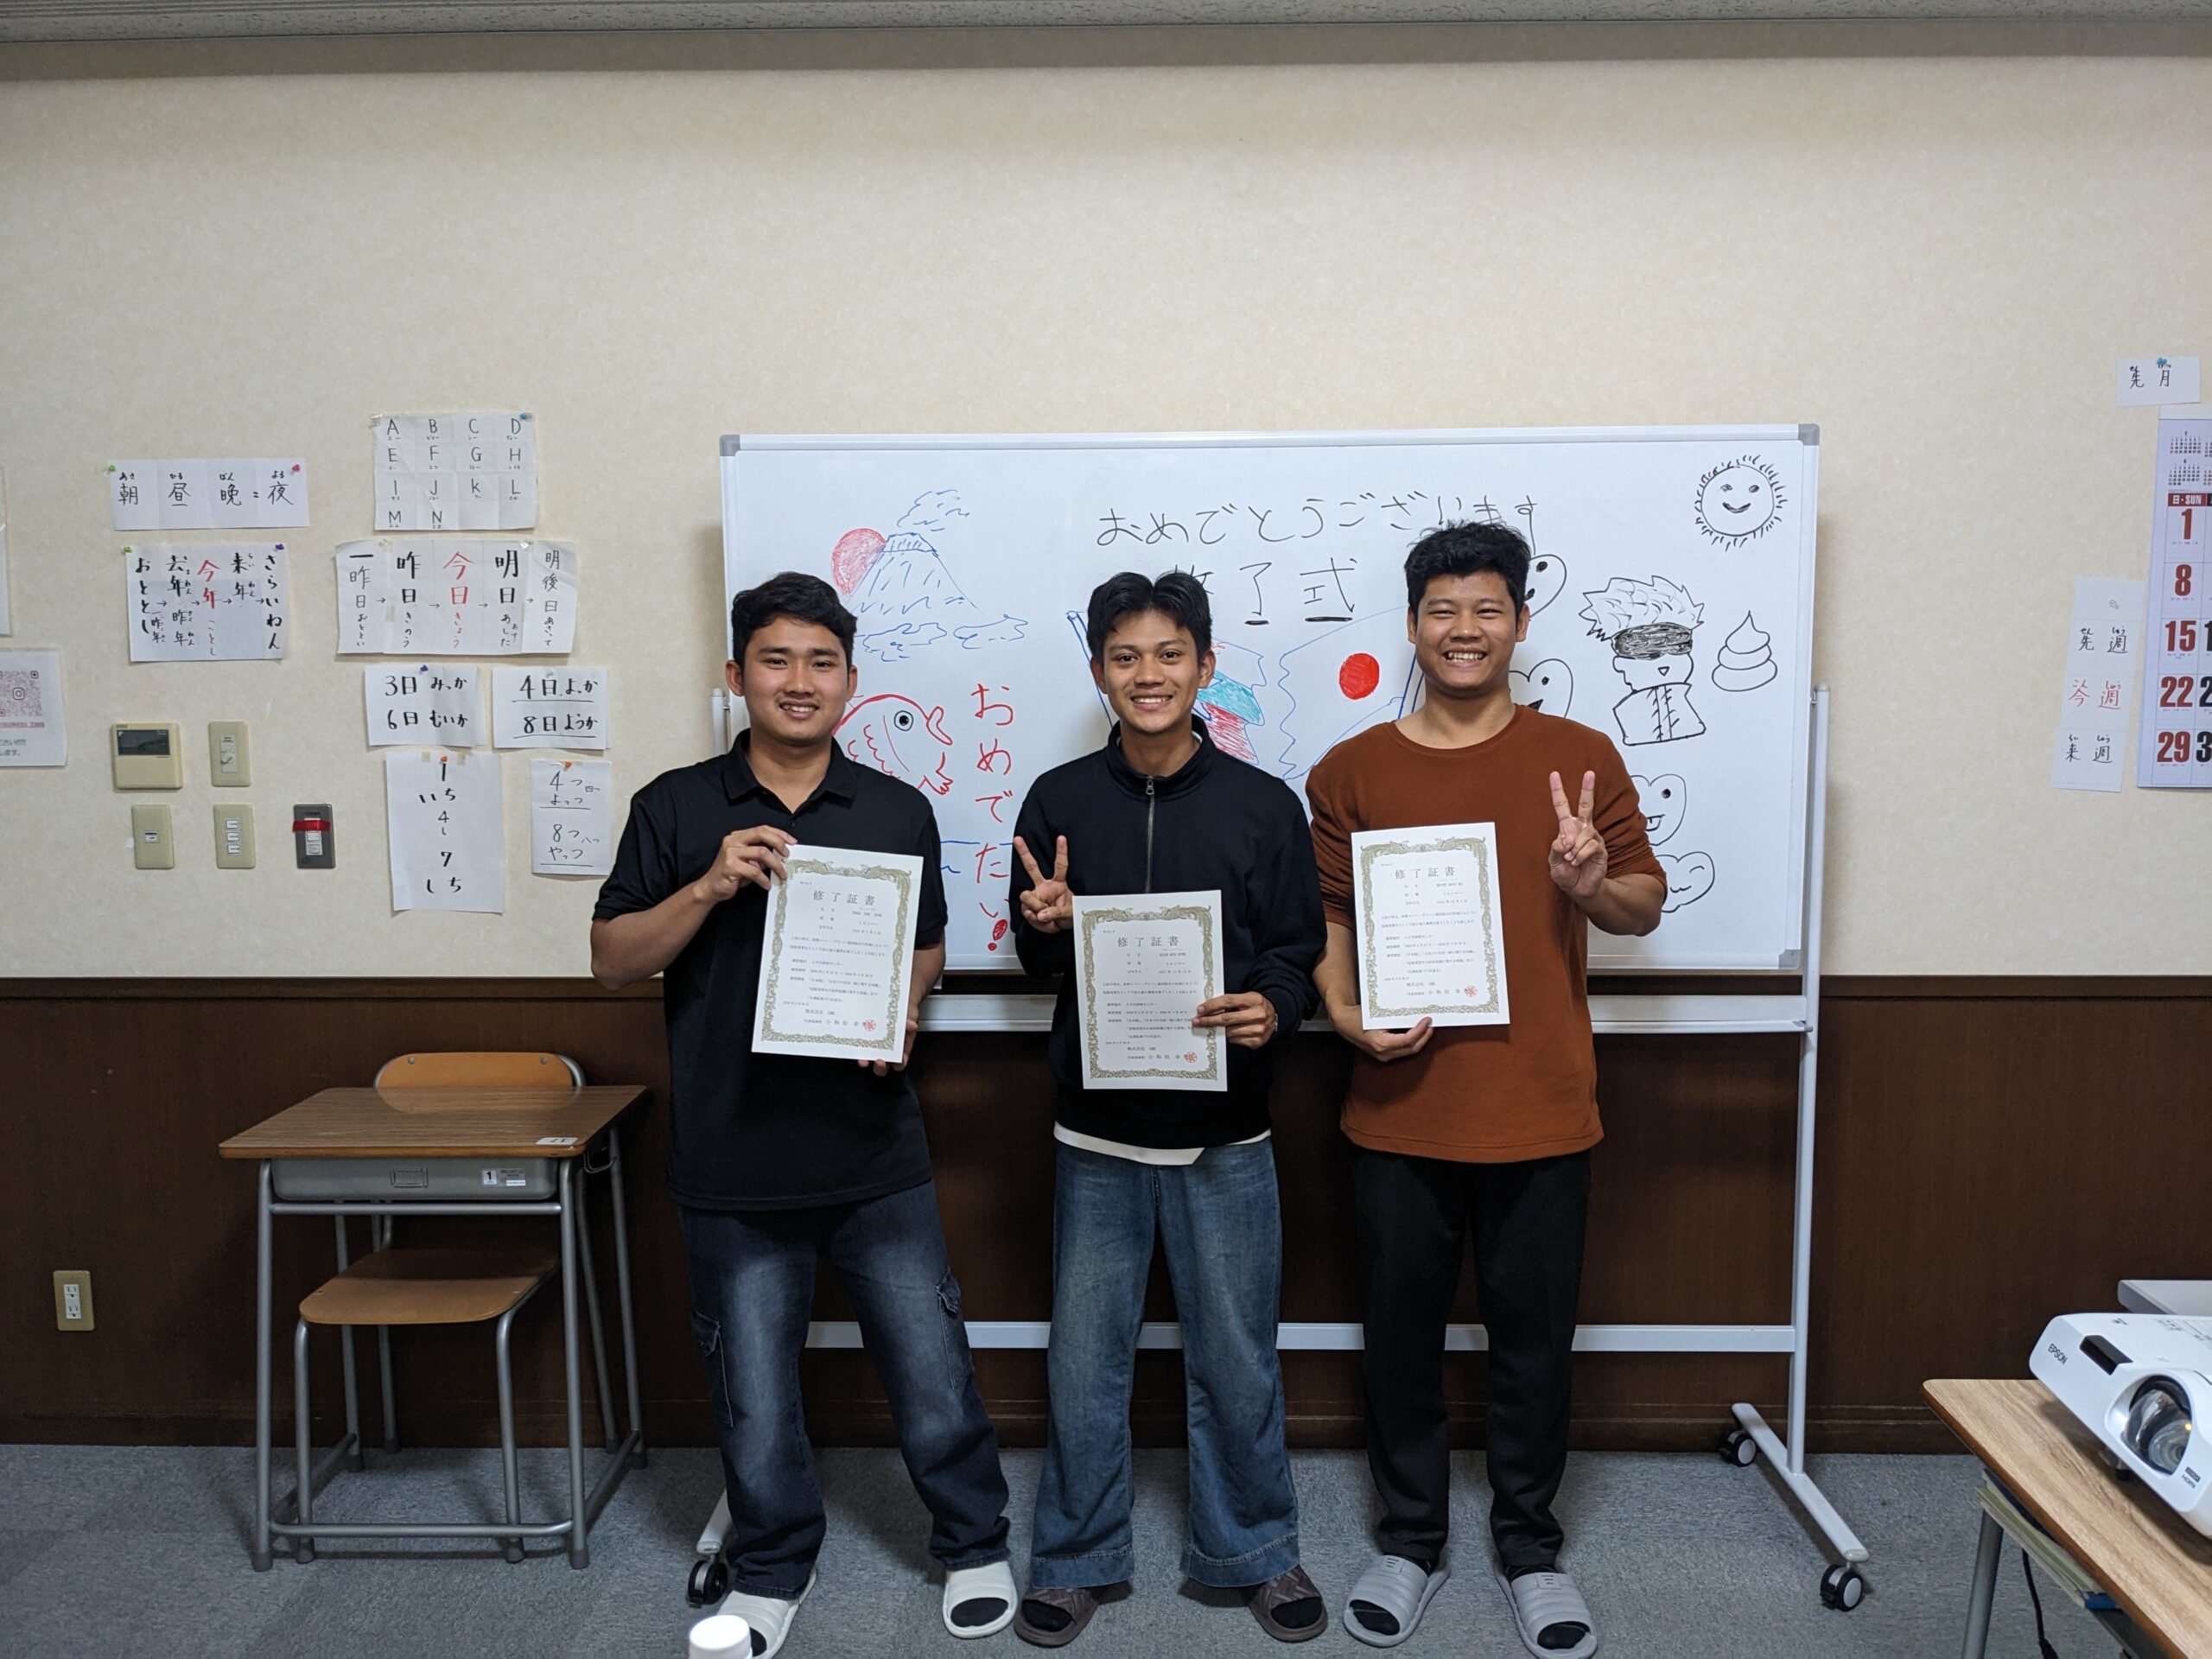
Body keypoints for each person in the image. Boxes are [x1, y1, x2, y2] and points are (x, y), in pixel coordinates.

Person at [589, 572, 1015, 1657]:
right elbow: (610, 960)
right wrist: (706, 887)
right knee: (753, 1390)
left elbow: (926, 945)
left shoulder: (894, 808)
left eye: (821, 662)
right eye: (775, 659)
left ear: (849, 682)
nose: (799, 681)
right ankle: (773, 1567)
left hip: (872, 1146)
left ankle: (973, 1543)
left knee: (931, 1367)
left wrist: (904, 1012)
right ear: (736, 676)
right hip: (730, 1152)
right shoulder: (676, 806)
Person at [1306, 524, 1665, 1657]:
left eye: (1487, 609)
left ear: (1518, 623)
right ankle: (1409, 1541)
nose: (1464, 630)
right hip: (1398, 1113)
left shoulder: (1580, 757)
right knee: (1399, 1342)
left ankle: (1530, 1551)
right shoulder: (1351, 769)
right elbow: (1330, 920)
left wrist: (1591, 883)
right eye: (1443, 610)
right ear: (1414, 625)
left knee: (1534, 1347)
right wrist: (1343, 1012)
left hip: (1542, 1108)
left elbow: (1642, 905)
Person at [1005, 571, 1329, 1649]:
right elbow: (1039, 961)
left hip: (1226, 1133)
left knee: (1236, 1357)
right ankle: (1074, 1560)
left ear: (1204, 665)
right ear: (1099, 671)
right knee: (1083, 1363)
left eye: (1169, 653)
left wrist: (1273, 1005)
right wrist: (1044, 925)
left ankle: (1255, 1551)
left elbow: (1294, 948)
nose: (1148, 675)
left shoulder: (1262, 805)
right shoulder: (1057, 799)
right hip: (1094, 1136)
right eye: (1125, 656)